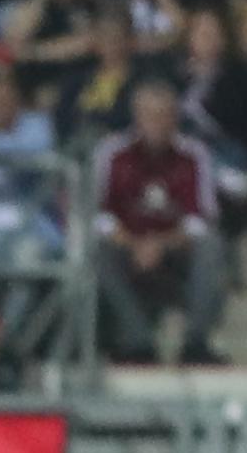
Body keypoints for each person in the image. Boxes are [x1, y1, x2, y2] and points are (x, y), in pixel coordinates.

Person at [92, 77, 227, 363]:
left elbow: (201, 218)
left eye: (164, 116)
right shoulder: (112, 153)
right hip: (126, 246)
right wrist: (135, 244)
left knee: (211, 245)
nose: (157, 123)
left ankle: (195, 344)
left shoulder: (193, 155)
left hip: (176, 248)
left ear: (175, 118)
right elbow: (99, 215)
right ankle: (137, 342)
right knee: (95, 249)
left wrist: (160, 245)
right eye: (150, 115)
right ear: (137, 117)